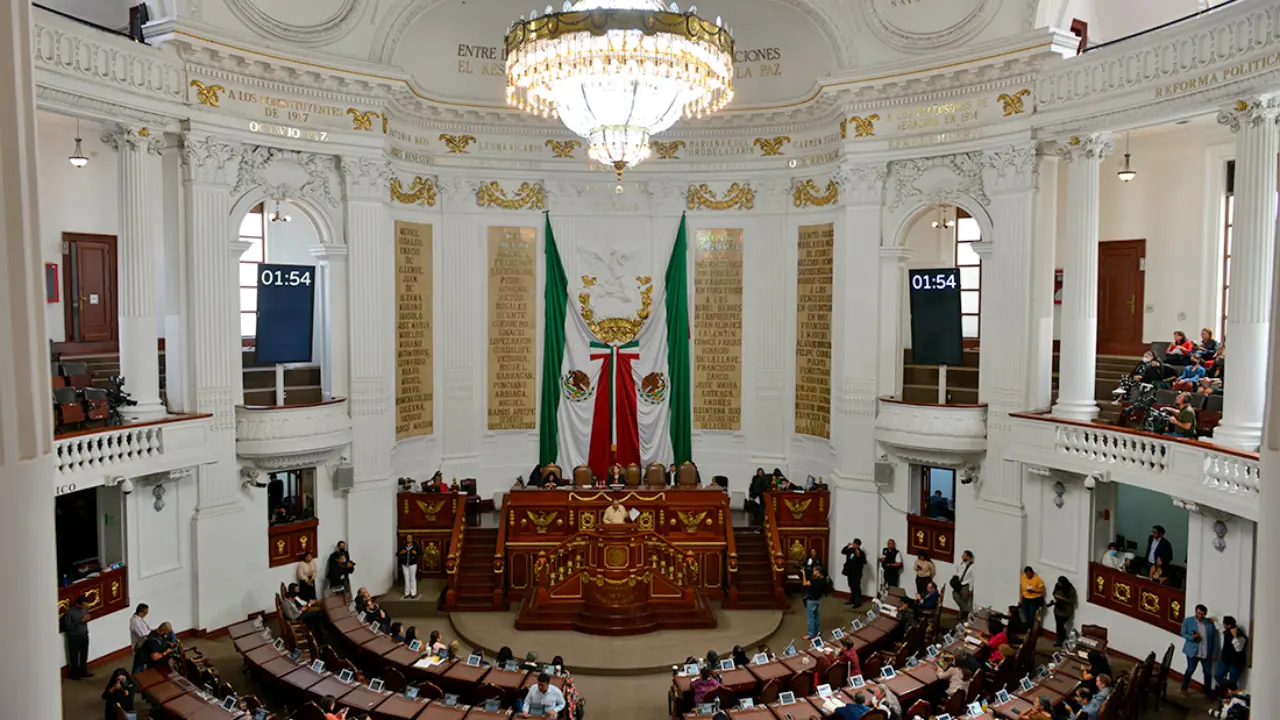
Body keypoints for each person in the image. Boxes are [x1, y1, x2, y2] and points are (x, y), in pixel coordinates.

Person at [1181, 604, 1218, 696]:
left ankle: (1207, 692)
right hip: (1193, 652)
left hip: (1206, 653)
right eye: (1198, 613)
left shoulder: (1209, 624)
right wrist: (1192, 637)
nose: (1200, 616)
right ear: (1195, 612)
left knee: (1208, 672)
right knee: (1190, 670)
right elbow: (1183, 633)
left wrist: (1214, 653)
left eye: (1202, 614)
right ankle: (1184, 688)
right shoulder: (1188, 621)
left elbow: (1214, 639)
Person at [62, 594, 92, 679]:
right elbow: (67, 626)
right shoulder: (70, 612)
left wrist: (89, 618)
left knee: (84, 654)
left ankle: (84, 671)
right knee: (74, 656)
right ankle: (74, 674)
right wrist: (80, 621)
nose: (85, 607)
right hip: (74, 637)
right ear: (79, 603)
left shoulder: (85, 609)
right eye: (83, 604)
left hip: (84, 634)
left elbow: (88, 616)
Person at [1216, 615, 1247, 693]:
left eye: (1224, 624)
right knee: (1218, 676)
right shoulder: (1227, 631)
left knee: (1232, 681)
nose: (1223, 625)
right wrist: (1214, 622)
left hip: (1236, 662)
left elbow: (1238, 649)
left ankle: (1233, 691)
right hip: (1225, 659)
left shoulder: (1241, 636)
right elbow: (1220, 629)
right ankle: (1230, 689)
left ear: (1229, 625)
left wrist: (1235, 637)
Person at [802, 566, 830, 639]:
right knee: (816, 617)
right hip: (817, 600)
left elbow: (804, 583)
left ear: (818, 571)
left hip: (811, 601)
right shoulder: (823, 579)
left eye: (814, 570)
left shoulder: (815, 581)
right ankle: (818, 632)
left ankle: (811, 635)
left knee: (811, 618)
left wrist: (804, 574)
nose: (813, 571)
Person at [1051, 576, 1077, 646]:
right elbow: (1054, 593)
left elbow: (1072, 601)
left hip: (1066, 611)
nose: (1059, 584)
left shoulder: (1071, 589)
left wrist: (1062, 598)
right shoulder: (1057, 585)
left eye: (1060, 583)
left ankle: (1063, 641)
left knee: (1062, 627)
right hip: (1058, 609)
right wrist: (1056, 596)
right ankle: (1059, 641)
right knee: (1058, 626)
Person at [841, 539, 867, 605]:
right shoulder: (850, 550)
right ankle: (852, 599)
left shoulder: (861, 552)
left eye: (855, 544)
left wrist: (858, 556)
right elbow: (843, 552)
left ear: (858, 545)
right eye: (853, 543)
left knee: (856, 586)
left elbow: (864, 562)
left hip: (857, 572)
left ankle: (857, 601)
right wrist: (847, 546)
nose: (853, 544)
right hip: (849, 571)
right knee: (851, 585)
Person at [951, 550, 975, 618]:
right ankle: (967, 610)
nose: (962, 556)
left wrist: (970, 589)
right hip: (959, 584)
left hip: (965, 585)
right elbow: (958, 572)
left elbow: (972, 578)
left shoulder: (972, 566)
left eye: (964, 555)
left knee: (963, 599)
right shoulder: (961, 564)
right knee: (955, 595)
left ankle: (961, 614)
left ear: (968, 557)